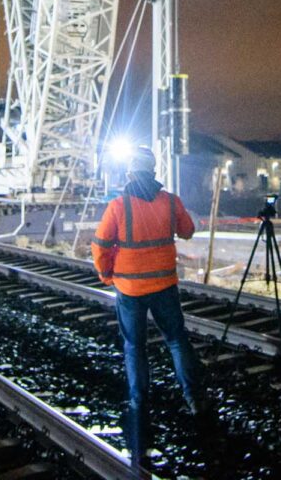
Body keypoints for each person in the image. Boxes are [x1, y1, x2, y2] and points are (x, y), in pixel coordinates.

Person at [91, 147, 206, 467]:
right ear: (154, 171)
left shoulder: (118, 205)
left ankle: (139, 404)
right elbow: (187, 231)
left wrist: (106, 274)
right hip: (165, 286)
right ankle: (194, 397)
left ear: (130, 173)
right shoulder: (169, 201)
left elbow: (100, 245)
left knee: (134, 348)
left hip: (129, 289)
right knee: (176, 340)